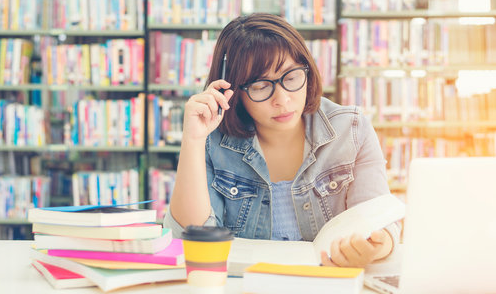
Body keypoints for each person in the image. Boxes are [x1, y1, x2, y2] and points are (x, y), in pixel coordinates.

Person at [163, 13, 400, 268]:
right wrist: (193, 139)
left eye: (291, 77)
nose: (282, 99)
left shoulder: (351, 130)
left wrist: (377, 245)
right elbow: (190, 235)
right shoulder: (215, 141)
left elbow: (381, 219)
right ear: (231, 90)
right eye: (260, 86)